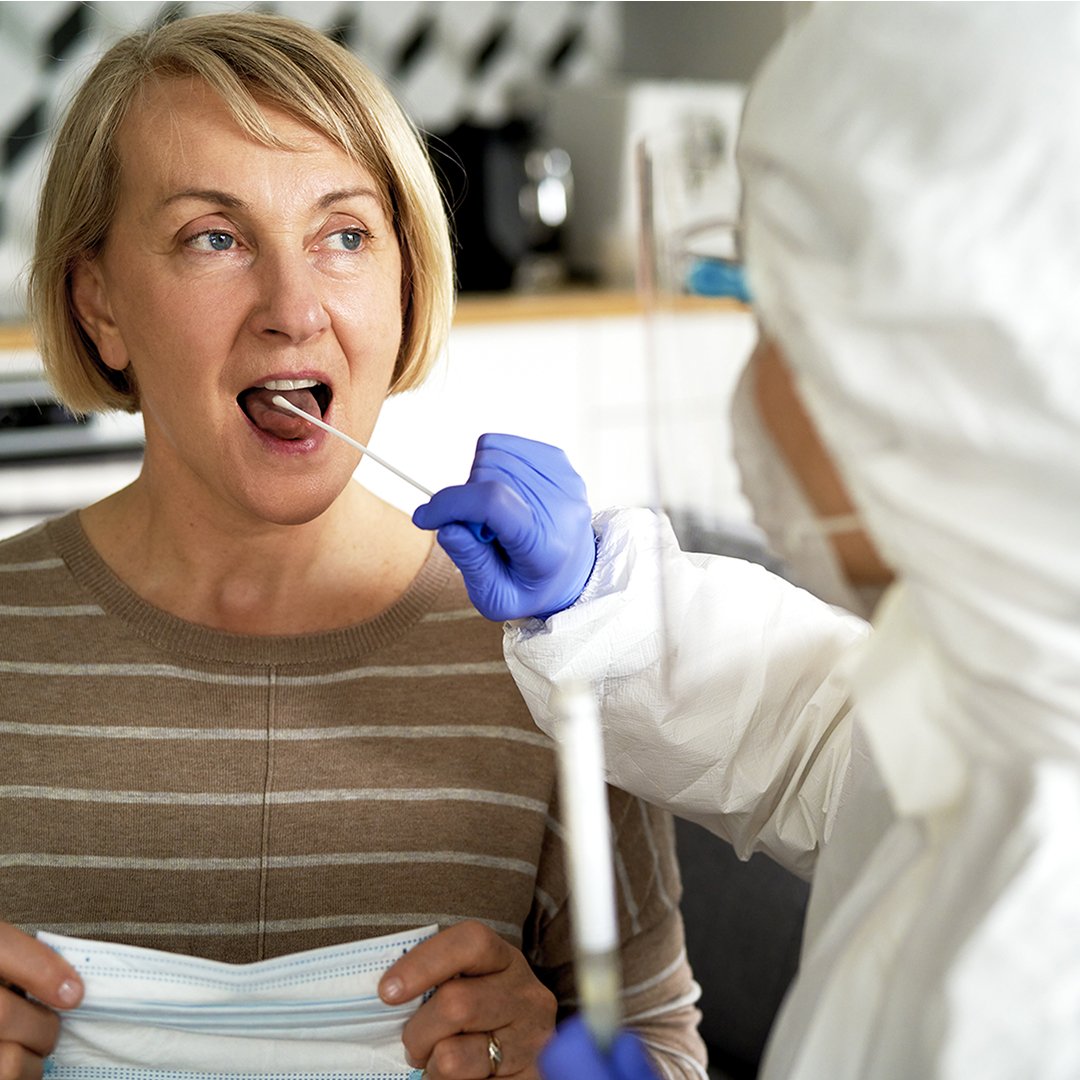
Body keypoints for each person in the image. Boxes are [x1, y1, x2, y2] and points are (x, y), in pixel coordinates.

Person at [1, 13, 707, 1078]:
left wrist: (557, 1058)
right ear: (100, 304)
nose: (295, 311)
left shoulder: (550, 655)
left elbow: (664, 1047)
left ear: (406, 277)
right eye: (215, 238)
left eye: (344, 235)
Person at [408, 3, 1080, 1078]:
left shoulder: (1036, 972)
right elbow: (829, 739)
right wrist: (595, 599)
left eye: (773, 323)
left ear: (933, 386)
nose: (750, 385)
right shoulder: (1015, 691)